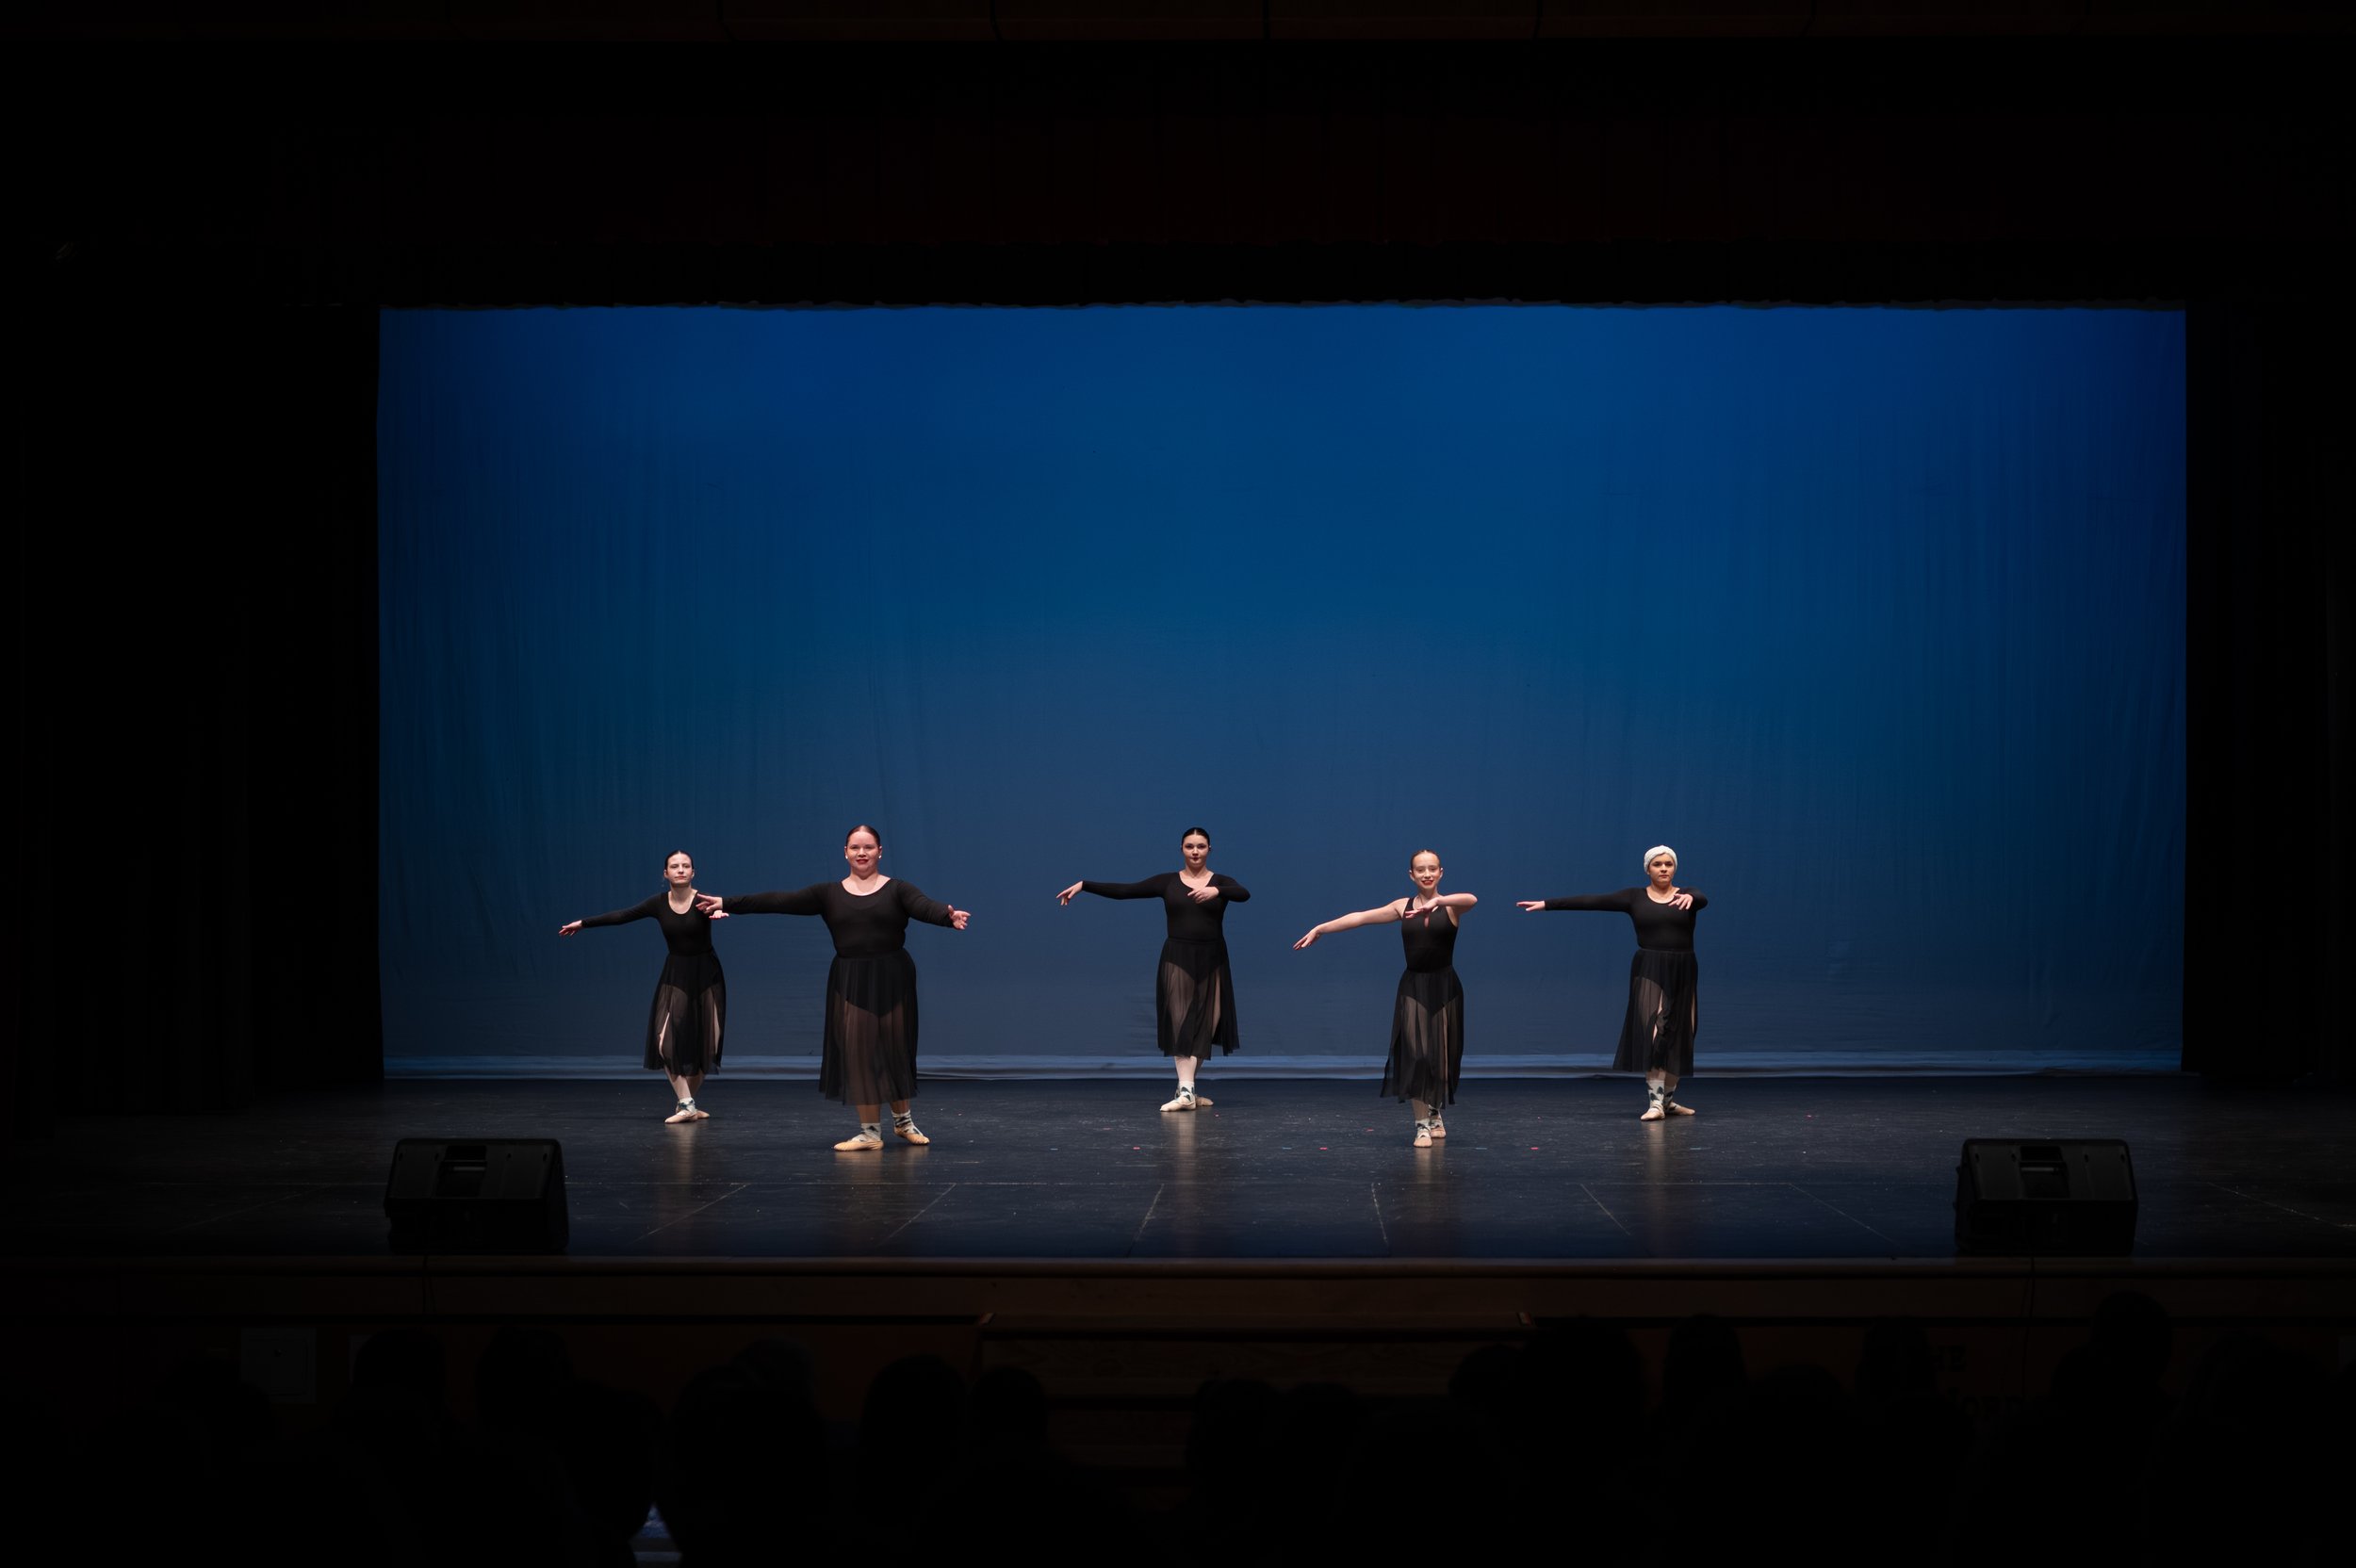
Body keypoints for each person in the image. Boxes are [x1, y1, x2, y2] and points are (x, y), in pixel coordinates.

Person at [696, 825, 970, 1151]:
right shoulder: (828, 893)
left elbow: (923, 905)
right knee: (860, 1052)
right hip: (851, 979)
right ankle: (869, 1133)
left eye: (869, 847)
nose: (862, 853)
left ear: (880, 851)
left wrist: (945, 915)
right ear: (845, 852)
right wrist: (727, 902)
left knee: (896, 1049)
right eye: (855, 847)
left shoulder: (898, 890)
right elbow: (779, 900)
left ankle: (903, 1122)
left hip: (893, 976)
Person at [1057, 826, 1250, 1113]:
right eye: (1189, 846)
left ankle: (1188, 1090)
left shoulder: (1221, 881)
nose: (1195, 851)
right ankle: (1186, 1091)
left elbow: (1243, 893)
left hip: (1213, 957)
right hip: (1178, 957)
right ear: (1181, 850)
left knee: (1205, 1024)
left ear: (1210, 849)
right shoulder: (1168, 882)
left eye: (1200, 846)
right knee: (1182, 1022)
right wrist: (1085, 884)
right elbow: (1126, 891)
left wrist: (1215, 891)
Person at [1294, 850, 1477, 1147]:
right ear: (1411, 875)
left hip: (1445, 987)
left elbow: (1472, 899)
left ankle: (1434, 1110)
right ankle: (1421, 1125)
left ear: (1441, 872)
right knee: (1416, 1056)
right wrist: (1321, 928)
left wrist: (1440, 901)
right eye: (1421, 870)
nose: (1427, 874)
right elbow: (1360, 918)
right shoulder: (1401, 907)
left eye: (1432, 869)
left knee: (1440, 1060)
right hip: (1414, 987)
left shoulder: (1452, 907)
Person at [1518, 845, 1706, 1120]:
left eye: (1668, 864)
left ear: (1674, 867)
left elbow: (1702, 898)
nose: (1664, 868)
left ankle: (1667, 1101)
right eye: (1657, 864)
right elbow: (1591, 901)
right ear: (1648, 869)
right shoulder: (1634, 897)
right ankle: (1655, 1102)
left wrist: (1691, 896)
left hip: (1683, 967)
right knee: (1654, 1033)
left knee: (1680, 1034)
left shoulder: (1688, 895)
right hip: (1650, 967)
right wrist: (1547, 904)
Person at [560, 851, 728, 1124]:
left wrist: (717, 911)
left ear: (694, 872)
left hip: (708, 973)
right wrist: (584, 923)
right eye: (675, 866)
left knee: (708, 1043)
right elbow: (622, 916)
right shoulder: (658, 904)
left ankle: (688, 1104)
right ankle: (686, 1104)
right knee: (664, 1042)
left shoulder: (703, 901)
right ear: (666, 874)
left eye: (686, 866)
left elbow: (720, 907)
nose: (681, 870)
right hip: (676, 973)